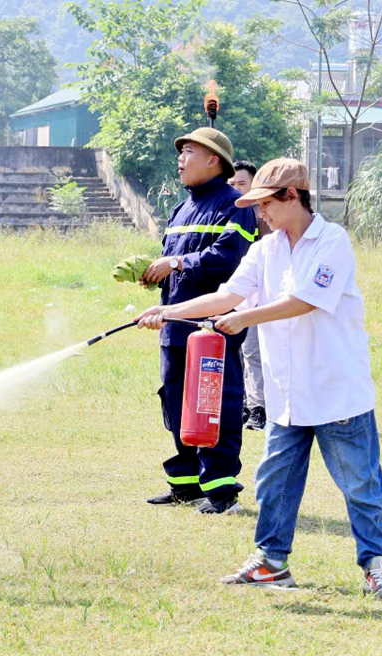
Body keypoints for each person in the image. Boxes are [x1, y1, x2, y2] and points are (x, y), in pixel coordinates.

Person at [136, 158, 382, 600]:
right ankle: (271, 562)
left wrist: (240, 319)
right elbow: (228, 295)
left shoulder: (332, 241)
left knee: (360, 485)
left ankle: (377, 565)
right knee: (274, 483)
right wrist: (170, 311)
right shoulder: (264, 250)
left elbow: (305, 301)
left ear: (292, 196)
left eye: (266, 204)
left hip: (337, 391)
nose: (260, 213)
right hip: (287, 394)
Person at [138, 128, 258, 514]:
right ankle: (186, 485)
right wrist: (157, 278)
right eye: (180, 152)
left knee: (214, 405)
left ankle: (222, 493)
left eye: (189, 151)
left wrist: (176, 262)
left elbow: (227, 258)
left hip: (213, 329)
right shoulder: (180, 210)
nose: (180, 158)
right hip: (174, 325)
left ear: (214, 160)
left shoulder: (236, 204)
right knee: (175, 402)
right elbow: (177, 263)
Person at [228, 160, 269, 431]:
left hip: (260, 298)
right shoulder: (229, 214)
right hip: (233, 295)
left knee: (253, 352)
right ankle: (243, 404)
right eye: (231, 184)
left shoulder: (263, 216)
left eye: (242, 184)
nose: (236, 189)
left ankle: (259, 408)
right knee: (239, 353)